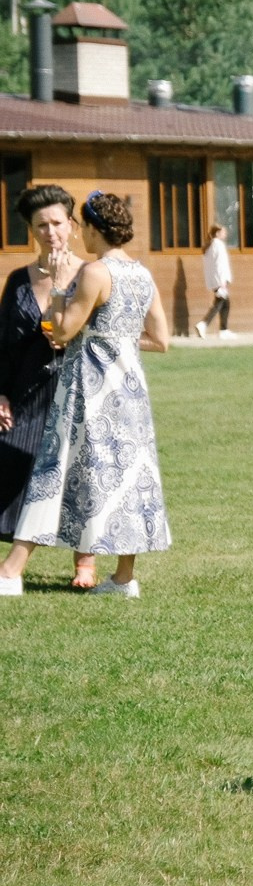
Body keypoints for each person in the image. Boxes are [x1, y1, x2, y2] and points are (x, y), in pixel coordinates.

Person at [0, 192, 171, 599]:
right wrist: (115, 339)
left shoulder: (96, 272)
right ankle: (124, 579)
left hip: (89, 390)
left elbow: (61, 331)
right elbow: (160, 339)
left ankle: (10, 571)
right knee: (126, 475)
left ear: (93, 229)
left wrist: (59, 288)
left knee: (53, 471)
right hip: (129, 389)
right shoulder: (143, 274)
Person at [0, 186, 92, 589]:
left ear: (71, 227)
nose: (51, 232)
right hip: (24, 392)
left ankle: (84, 563)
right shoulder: (18, 280)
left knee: (78, 469)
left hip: (74, 387)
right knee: (13, 462)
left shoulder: (92, 274)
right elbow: (3, 343)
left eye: (57, 223)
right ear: (31, 230)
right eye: (42, 225)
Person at [196, 224, 235, 339]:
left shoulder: (210, 246)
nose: (225, 234)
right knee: (219, 304)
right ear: (217, 233)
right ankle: (204, 324)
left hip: (214, 279)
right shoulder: (218, 245)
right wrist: (222, 281)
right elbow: (220, 265)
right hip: (220, 280)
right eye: (223, 232)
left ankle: (223, 330)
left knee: (224, 303)